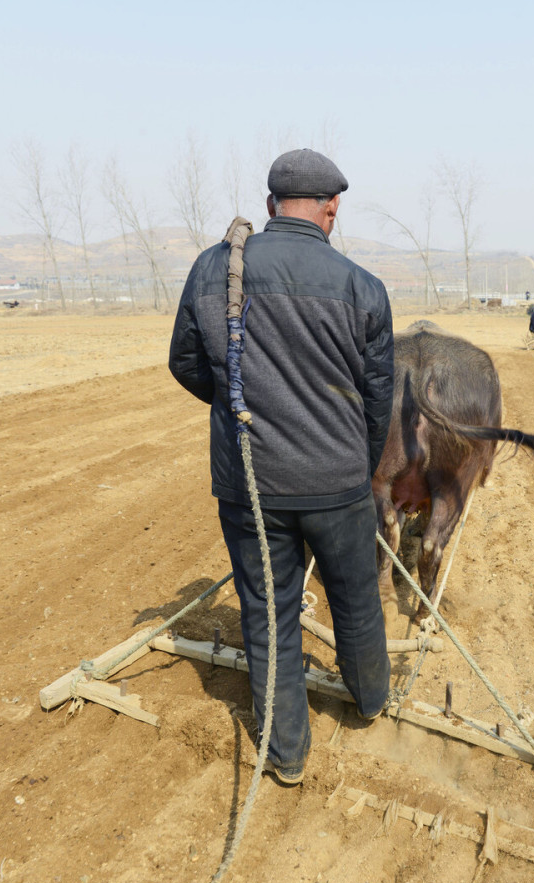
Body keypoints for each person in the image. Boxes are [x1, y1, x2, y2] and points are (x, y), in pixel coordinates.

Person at [169, 149, 394, 785]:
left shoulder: (214, 269)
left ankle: (287, 756)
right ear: (332, 210)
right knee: (355, 602)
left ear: (270, 207)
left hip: (250, 486)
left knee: (268, 615)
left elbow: (186, 364)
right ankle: (372, 701)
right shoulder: (361, 287)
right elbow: (378, 400)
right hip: (339, 485)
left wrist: (245, 406)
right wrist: (356, 465)